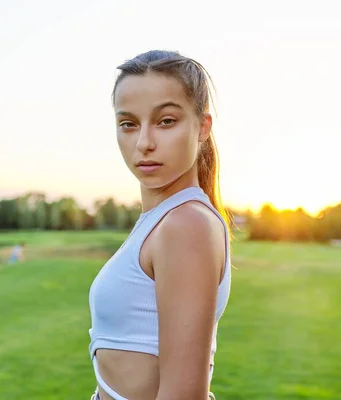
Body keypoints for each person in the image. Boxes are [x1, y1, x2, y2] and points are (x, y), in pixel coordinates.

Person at [88, 50, 232, 400]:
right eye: (128, 124)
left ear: (202, 127)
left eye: (166, 121)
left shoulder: (187, 225)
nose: (144, 143)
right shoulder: (164, 221)